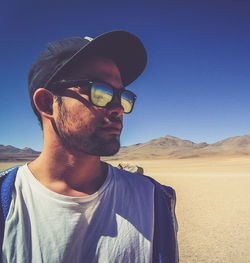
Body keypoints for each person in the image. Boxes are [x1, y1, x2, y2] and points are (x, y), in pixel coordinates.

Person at [0, 30, 178, 262]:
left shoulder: (154, 200)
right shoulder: (8, 203)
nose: (119, 108)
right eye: (100, 91)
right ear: (46, 103)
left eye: (122, 95)